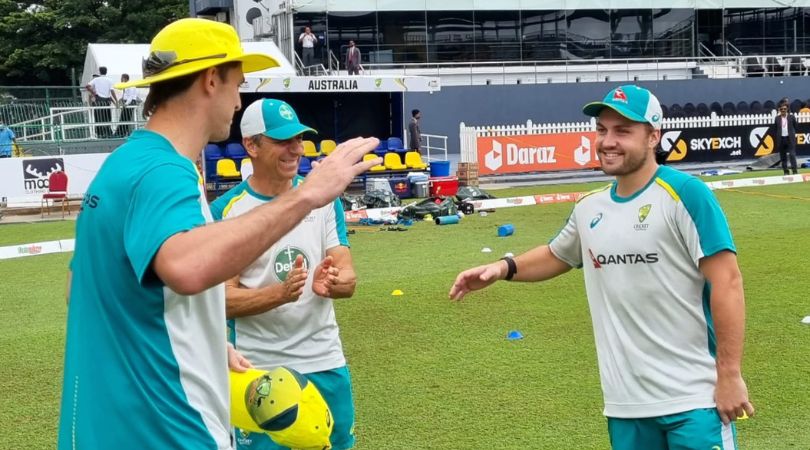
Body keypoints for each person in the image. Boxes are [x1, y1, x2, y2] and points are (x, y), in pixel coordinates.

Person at [58, 18, 381, 450]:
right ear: (211, 80)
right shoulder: (165, 170)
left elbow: (80, 287)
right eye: (237, 84)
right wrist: (308, 196)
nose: (238, 100)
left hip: (108, 427)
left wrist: (205, 339)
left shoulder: (123, 163)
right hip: (167, 430)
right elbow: (186, 267)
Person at [449, 85, 755, 450]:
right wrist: (502, 268)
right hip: (625, 406)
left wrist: (730, 374)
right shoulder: (589, 207)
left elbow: (728, 282)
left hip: (694, 399)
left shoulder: (686, 194)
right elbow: (558, 254)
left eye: (623, 131)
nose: (608, 141)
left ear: (653, 136)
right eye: (602, 130)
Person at [211, 99, 358, 450]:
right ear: (251, 145)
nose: (296, 149)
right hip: (259, 369)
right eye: (282, 140)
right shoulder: (225, 212)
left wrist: (335, 283)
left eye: (299, 139)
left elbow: (348, 275)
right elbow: (218, 301)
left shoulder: (323, 199)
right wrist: (277, 295)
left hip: (324, 360)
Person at [85, 66, 117, 138]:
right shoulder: (110, 80)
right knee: (107, 117)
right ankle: (108, 132)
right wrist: (116, 101)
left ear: (99, 72)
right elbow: (112, 91)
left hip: (98, 99)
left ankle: (100, 133)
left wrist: (94, 93)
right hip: (107, 100)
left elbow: (87, 86)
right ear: (106, 72)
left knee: (98, 117)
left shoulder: (96, 79)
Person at [771, 101, 799, 175]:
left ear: (787, 109)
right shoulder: (777, 118)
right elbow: (775, 129)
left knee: (792, 155)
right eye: (781, 109)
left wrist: (793, 134)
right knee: (783, 156)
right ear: (779, 110)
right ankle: (786, 171)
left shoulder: (791, 117)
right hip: (781, 139)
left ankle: (794, 171)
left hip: (790, 139)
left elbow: (796, 126)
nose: (783, 110)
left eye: (784, 109)